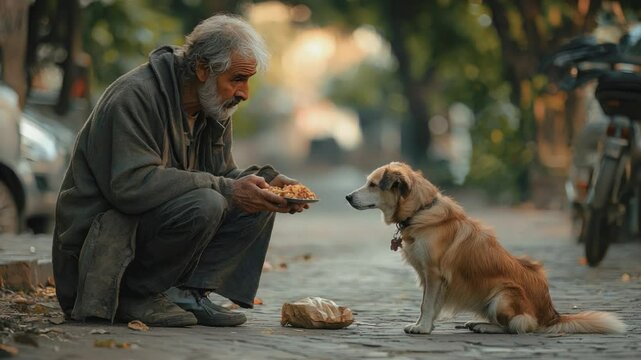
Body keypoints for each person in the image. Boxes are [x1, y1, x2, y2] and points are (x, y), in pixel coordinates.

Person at [52, 14, 309, 328]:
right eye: (237, 79)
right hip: (97, 253)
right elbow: (131, 187)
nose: (244, 92)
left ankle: (188, 293)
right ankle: (134, 295)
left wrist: (266, 184)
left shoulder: (213, 103)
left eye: (247, 81)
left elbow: (221, 174)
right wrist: (229, 188)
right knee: (210, 201)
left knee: (256, 195)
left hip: (145, 225)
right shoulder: (134, 97)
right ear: (202, 69)